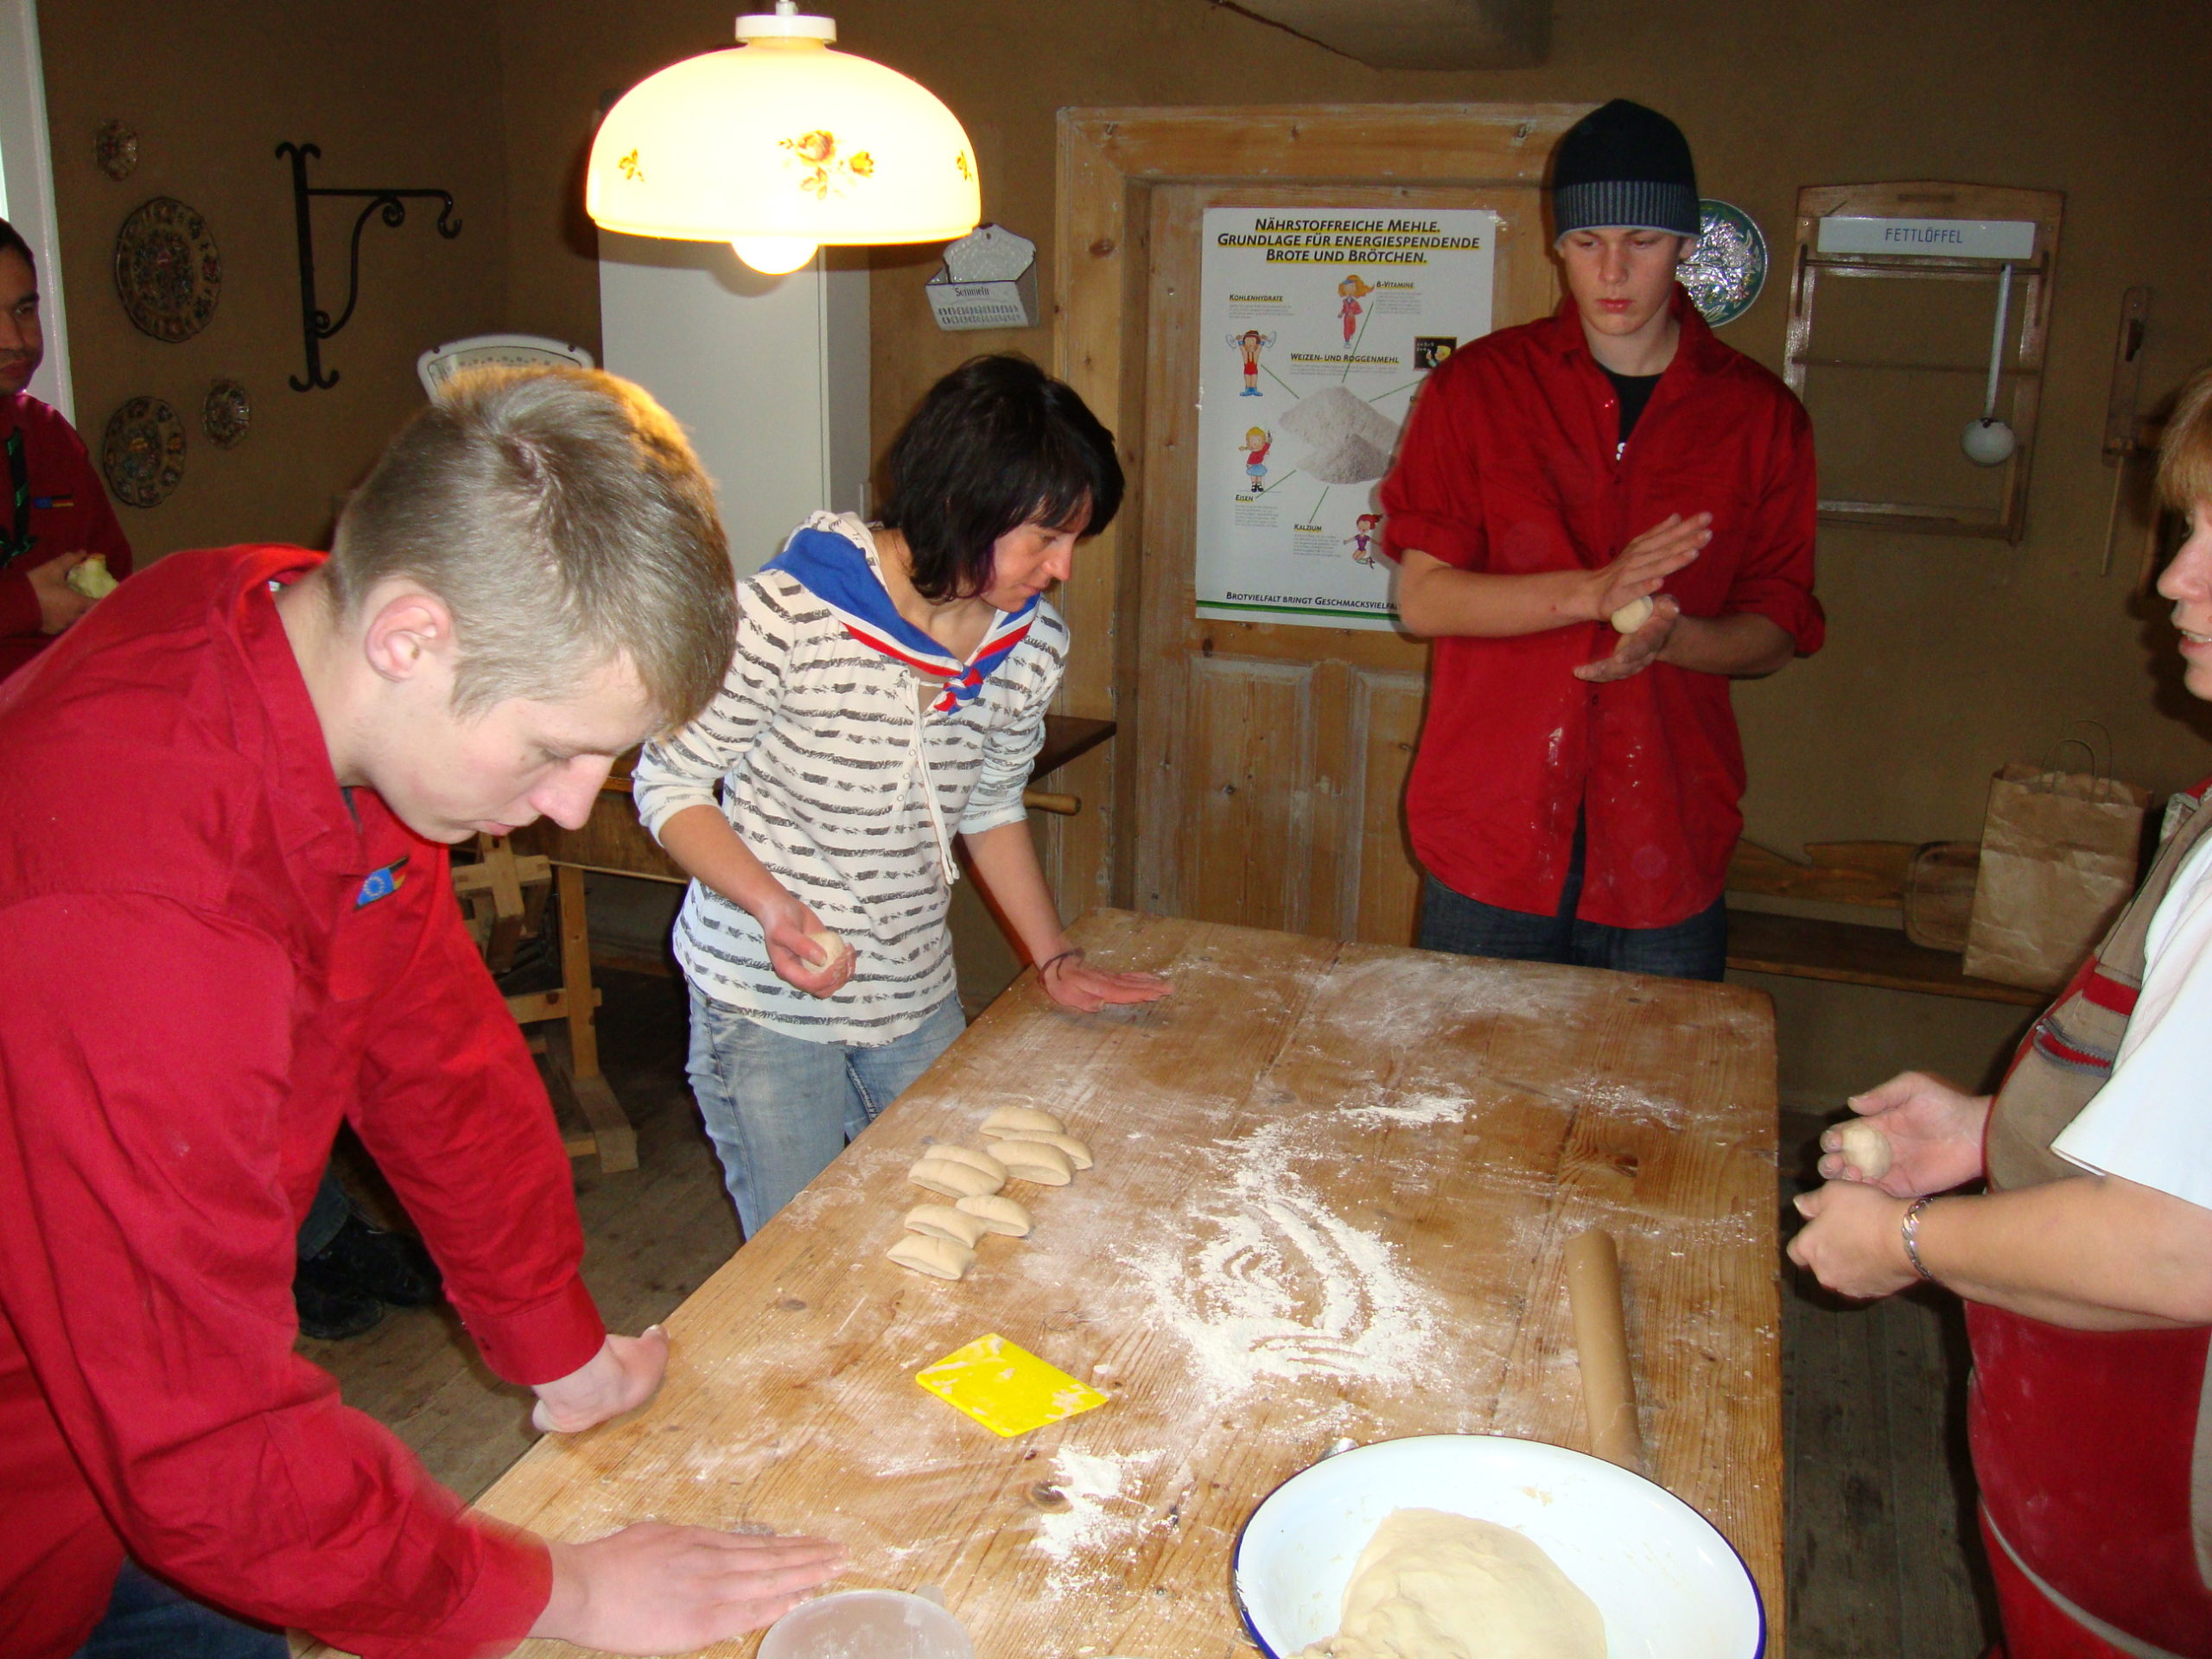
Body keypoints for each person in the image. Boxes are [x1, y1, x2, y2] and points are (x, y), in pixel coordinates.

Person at [0, 366, 843, 1659]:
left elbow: (427, 1045)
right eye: (555, 749)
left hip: (147, 1429)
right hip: (50, 1477)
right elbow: (206, 1453)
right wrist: (565, 1593)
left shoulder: (297, 634)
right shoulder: (140, 914)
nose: (574, 806)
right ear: (411, 637)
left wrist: (552, 1336)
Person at [1790, 365, 2212, 1657]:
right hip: (2082, 1541)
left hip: (2156, 1564)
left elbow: (2175, 1247)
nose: (2173, 580)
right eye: (2188, 533)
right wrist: (1994, 1133)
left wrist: (1910, 1240)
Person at [632, 354, 1170, 1240]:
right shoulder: (786, 618)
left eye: (1076, 541)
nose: (1063, 568)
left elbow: (991, 805)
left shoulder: (1027, 646)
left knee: (955, 1224)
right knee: (802, 1252)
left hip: (914, 991)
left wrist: (1054, 957)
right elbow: (671, 780)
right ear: (961, 506)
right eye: (1045, 538)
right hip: (765, 1006)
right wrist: (773, 907)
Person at [1379, 99, 1822, 982]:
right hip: (1492, 842)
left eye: (1643, 241)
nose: (1613, 271)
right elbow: (1422, 600)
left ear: (1688, 243)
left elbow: (1776, 626)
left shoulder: (1761, 418)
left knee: (1651, 1117)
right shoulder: (1477, 390)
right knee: (1468, 1105)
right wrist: (1590, 592)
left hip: (1664, 846)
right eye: (1586, 244)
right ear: (1557, 246)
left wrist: (1674, 637)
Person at [0, 216, 131, 681]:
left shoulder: (49, 434)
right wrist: (27, 605)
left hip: (71, 717)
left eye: (23, 310)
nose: (15, 341)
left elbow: (115, 578)